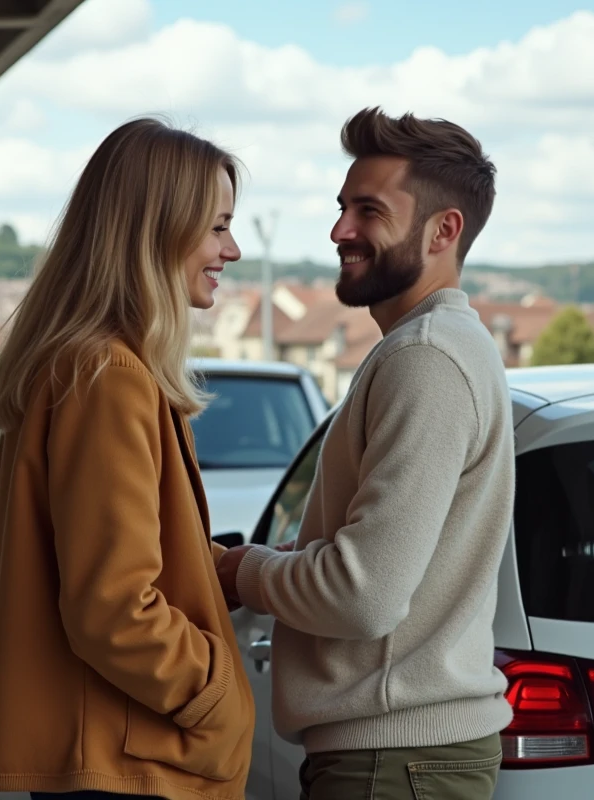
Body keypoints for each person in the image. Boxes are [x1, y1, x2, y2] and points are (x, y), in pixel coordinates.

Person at [216, 107, 515, 800]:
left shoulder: (426, 359)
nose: (340, 231)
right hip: (404, 756)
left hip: (394, 760)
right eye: (343, 206)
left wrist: (239, 571)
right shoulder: (438, 347)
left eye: (368, 211)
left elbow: (363, 596)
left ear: (445, 231)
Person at [0, 117, 255, 800]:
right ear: (158, 230)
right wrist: (217, 694)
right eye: (217, 227)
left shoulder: (84, 363)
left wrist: (226, 573)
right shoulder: (109, 375)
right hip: (124, 763)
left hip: (102, 754)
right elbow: (113, 606)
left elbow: (109, 558)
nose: (231, 249)